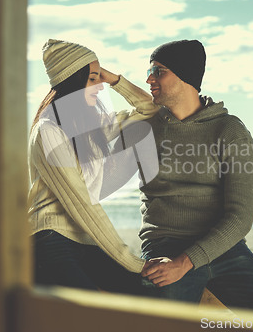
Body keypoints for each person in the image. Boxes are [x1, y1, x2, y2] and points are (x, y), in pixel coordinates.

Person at [139, 39, 253, 314]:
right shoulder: (144, 129)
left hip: (224, 248)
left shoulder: (229, 131)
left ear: (185, 76)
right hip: (165, 246)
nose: (149, 78)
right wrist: (114, 81)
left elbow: (240, 218)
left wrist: (186, 263)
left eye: (158, 70)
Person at [27, 39, 158, 295]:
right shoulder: (48, 131)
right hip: (49, 238)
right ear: (72, 81)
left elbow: (149, 110)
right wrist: (132, 262)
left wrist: (115, 79)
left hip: (84, 238)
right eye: (92, 79)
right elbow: (83, 204)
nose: (100, 86)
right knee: (92, 313)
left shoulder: (88, 124)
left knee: (144, 294)